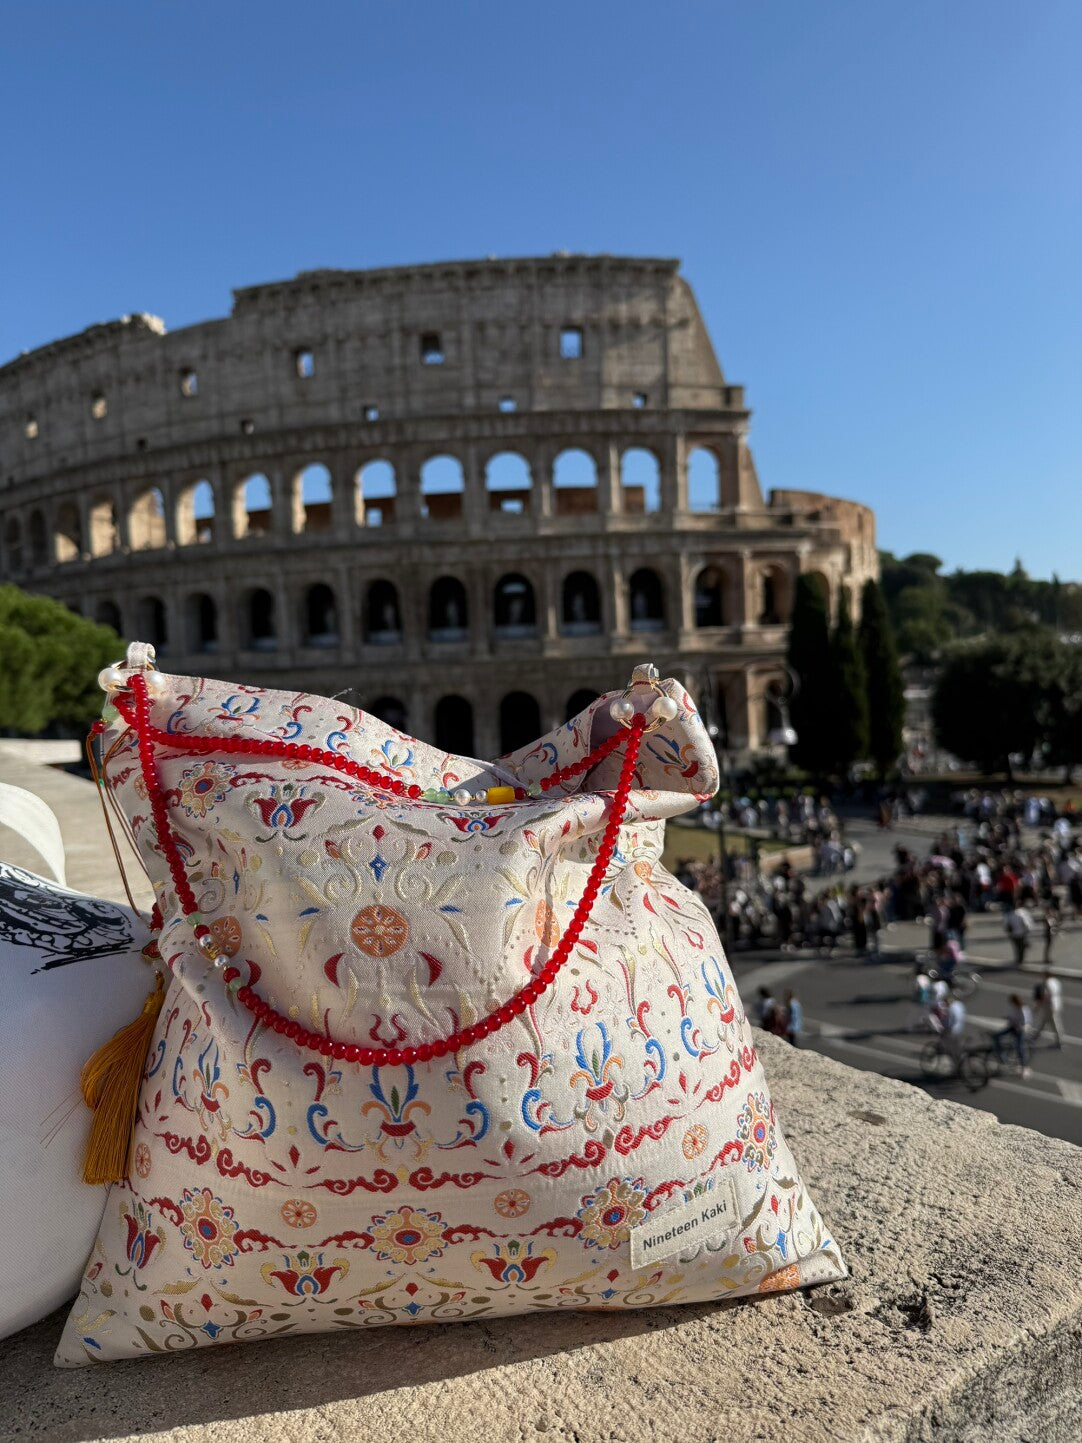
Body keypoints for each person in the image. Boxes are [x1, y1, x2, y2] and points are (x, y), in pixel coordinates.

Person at [992, 994, 1032, 1077]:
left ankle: (1024, 1067)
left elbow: (1025, 1022)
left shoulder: (1023, 1009)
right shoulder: (1015, 1007)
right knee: (996, 1036)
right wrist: (1009, 1018)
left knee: (1019, 1048)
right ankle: (1001, 1058)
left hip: (1020, 1030)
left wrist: (1016, 1023)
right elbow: (1012, 1016)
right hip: (1013, 1026)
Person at [1031, 966, 1064, 1049]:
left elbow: (1044, 996)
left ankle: (1060, 1042)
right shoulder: (1055, 981)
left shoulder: (1046, 983)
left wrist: (1037, 1006)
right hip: (1057, 1003)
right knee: (1045, 1021)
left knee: (1054, 1023)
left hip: (1050, 1005)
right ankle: (1035, 1037)